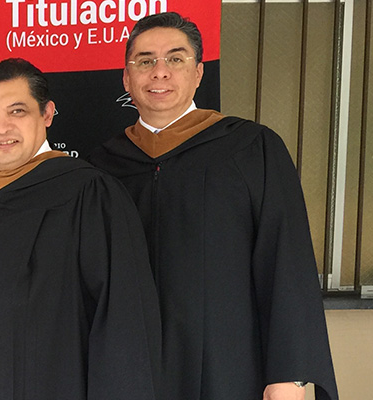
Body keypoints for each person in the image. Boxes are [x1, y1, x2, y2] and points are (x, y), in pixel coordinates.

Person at [88, 12, 338, 400]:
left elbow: (286, 260)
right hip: (129, 367)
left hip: (230, 365)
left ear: (199, 72)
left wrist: (290, 373)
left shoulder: (251, 148)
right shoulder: (103, 167)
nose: (160, 72)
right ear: (126, 77)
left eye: (176, 58)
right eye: (145, 60)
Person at [0, 58, 162, 400]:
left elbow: (124, 322)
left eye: (17, 111)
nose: (2, 129)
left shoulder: (88, 193)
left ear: (47, 114)